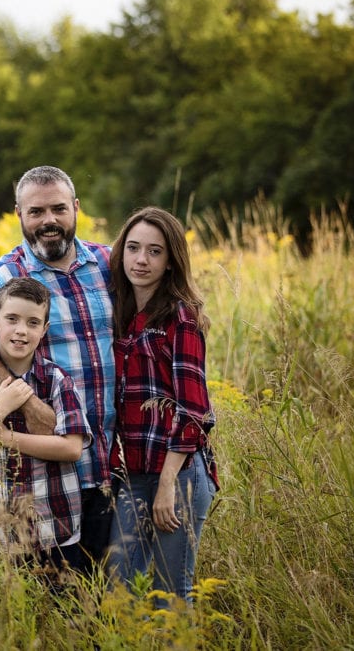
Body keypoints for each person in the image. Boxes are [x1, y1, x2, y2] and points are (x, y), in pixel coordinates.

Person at [0, 165, 115, 574]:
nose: (49, 221)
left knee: (115, 596)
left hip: (117, 466)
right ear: (19, 215)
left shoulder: (108, 264)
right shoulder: (4, 276)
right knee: (57, 595)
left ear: (76, 208)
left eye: (59, 209)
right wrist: (30, 406)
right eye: (36, 211)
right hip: (51, 479)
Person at [105, 206, 220, 606]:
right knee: (118, 588)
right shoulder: (119, 312)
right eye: (133, 248)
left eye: (154, 251)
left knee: (169, 594)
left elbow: (194, 411)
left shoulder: (180, 317)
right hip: (134, 472)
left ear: (171, 261)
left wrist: (168, 483)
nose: (141, 260)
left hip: (180, 473)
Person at [0, 277, 91, 575]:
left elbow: (72, 447)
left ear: (44, 329)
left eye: (32, 322)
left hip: (56, 531)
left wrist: (4, 437)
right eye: (11, 319)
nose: (21, 331)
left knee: (60, 618)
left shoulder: (56, 381)